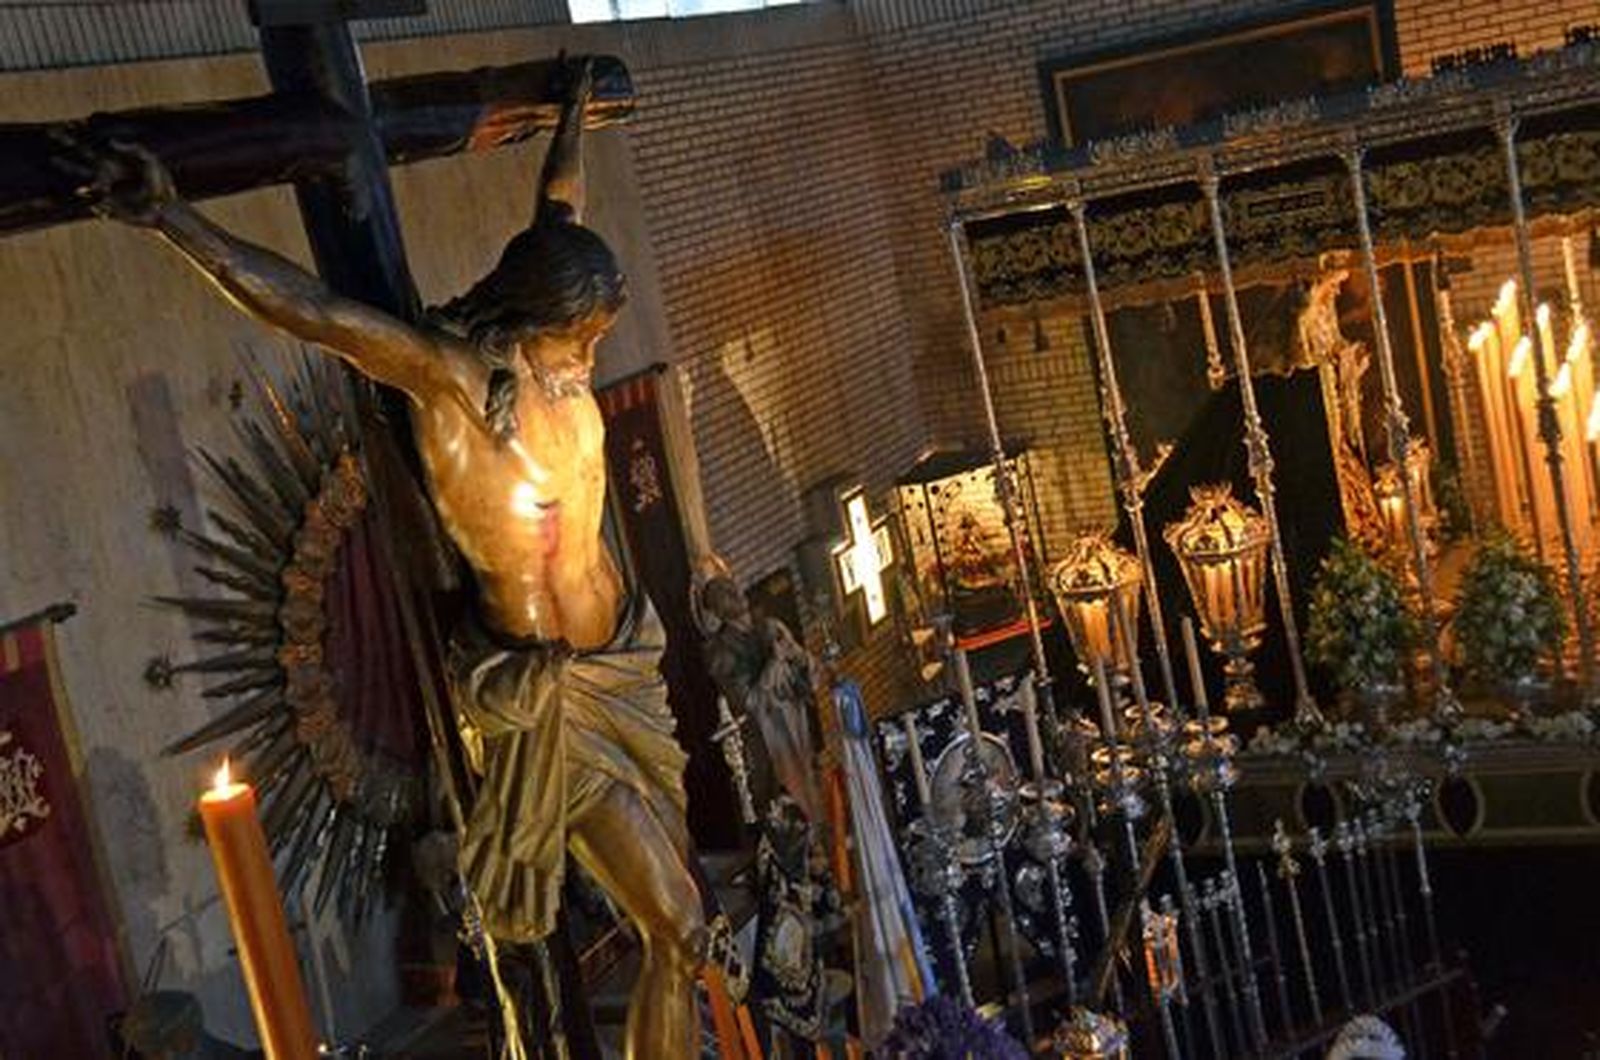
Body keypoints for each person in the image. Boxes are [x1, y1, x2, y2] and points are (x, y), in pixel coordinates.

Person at [77, 60, 702, 1059]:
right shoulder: (453, 383)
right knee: (678, 929)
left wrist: (571, 119)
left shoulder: (559, 357)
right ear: (522, 320)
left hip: (623, 667)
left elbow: (559, 210)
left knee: (686, 922)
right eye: (573, 342)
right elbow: (317, 313)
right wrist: (175, 222)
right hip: (546, 702)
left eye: (597, 340)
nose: (587, 361)